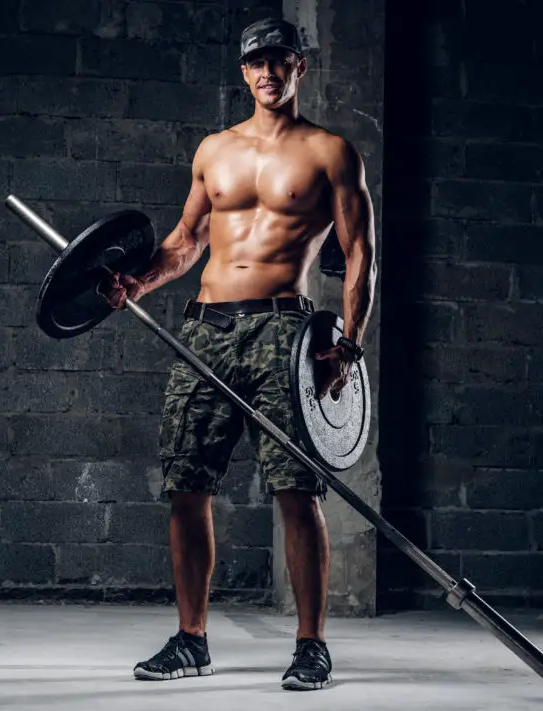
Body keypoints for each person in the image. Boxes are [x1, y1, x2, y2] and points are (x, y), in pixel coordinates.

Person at [101, 17, 376, 691]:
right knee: (186, 485)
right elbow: (186, 240)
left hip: (284, 329)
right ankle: (191, 638)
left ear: (299, 68)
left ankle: (311, 643)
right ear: (244, 72)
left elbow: (361, 252)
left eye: (281, 60)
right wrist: (139, 280)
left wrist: (349, 342)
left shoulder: (331, 153)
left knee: (295, 487)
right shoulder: (213, 151)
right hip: (205, 329)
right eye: (258, 62)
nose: (269, 72)